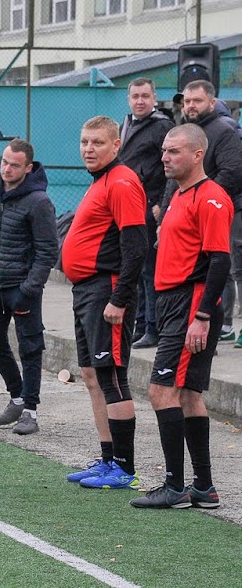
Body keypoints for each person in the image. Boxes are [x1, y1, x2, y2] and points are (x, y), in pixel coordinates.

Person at [131, 123, 232, 509]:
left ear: (197, 155)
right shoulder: (177, 193)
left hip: (192, 303)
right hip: (173, 301)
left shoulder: (212, 198)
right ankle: (203, 488)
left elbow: (221, 260)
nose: (165, 157)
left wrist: (203, 316)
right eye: (164, 151)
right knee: (188, 393)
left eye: (173, 151)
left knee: (161, 390)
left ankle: (175, 488)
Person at [61, 116, 147, 490]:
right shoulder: (102, 182)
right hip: (86, 291)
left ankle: (124, 468)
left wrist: (119, 299)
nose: (89, 149)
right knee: (92, 375)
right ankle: (108, 458)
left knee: (112, 377)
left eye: (97, 143)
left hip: (105, 291)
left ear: (116, 145)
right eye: (84, 142)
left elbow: (137, 246)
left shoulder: (123, 181)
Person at [0, 139, 58, 435]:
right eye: (4, 162)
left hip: (21, 288)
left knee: (30, 348)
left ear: (28, 168)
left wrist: (30, 287)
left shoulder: (39, 202)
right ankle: (17, 397)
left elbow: (47, 250)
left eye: (14, 165)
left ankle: (30, 412)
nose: (7, 169)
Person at [162, 81, 242, 347]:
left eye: (196, 101)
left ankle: (227, 324)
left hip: (224, 210)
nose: (190, 106)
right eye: (186, 101)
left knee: (228, 266)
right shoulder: (184, 134)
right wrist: (166, 215)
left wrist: (201, 203)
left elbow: (232, 171)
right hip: (189, 212)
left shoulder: (225, 129)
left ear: (212, 102)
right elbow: (174, 183)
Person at [118, 78, 174, 349]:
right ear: (129, 99)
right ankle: (140, 324)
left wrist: (160, 204)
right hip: (129, 206)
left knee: (150, 269)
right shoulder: (127, 125)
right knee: (136, 269)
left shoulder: (162, 126)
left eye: (145, 96)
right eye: (135, 96)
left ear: (154, 98)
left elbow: (170, 167)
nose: (140, 100)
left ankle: (153, 327)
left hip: (150, 207)